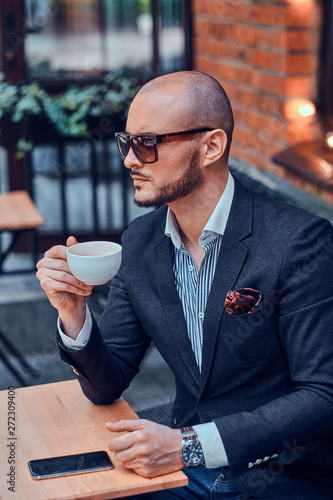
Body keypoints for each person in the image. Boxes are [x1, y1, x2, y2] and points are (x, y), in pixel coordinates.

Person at [36, 71, 333, 500]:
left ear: (211, 146)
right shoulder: (140, 242)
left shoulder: (299, 242)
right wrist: (73, 313)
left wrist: (188, 446)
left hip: (278, 476)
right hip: (177, 473)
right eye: (127, 142)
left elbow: (322, 394)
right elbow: (107, 383)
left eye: (148, 143)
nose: (129, 160)